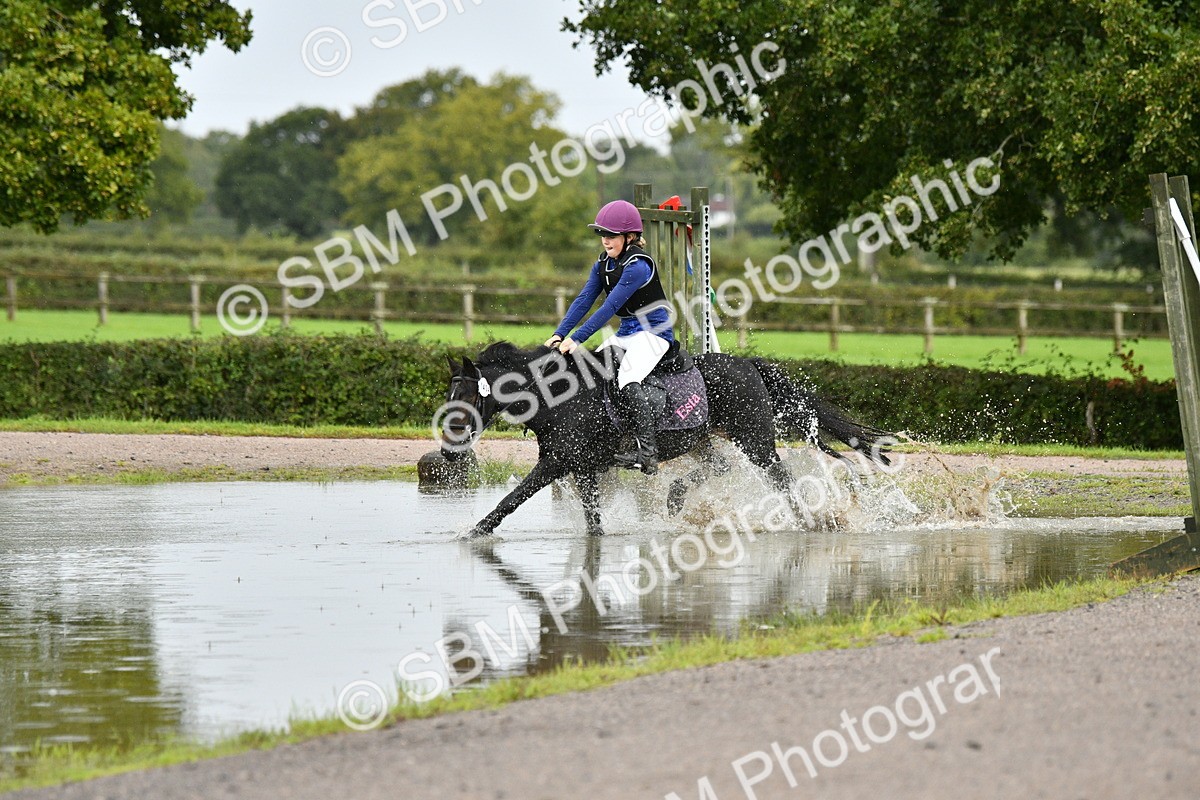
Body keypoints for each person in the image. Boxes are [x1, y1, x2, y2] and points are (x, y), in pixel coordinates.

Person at [545, 199, 674, 475]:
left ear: (630, 237)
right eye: (602, 234)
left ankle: (648, 453)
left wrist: (577, 338)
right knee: (591, 371)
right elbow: (583, 300)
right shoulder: (602, 264)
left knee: (627, 378)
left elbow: (609, 307)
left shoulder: (638, 266)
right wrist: (558, 334)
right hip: (628, 331)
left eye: (611, 235)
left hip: (654, 332)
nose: (605, 240)